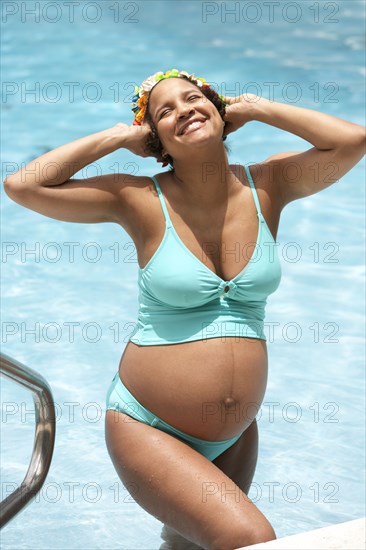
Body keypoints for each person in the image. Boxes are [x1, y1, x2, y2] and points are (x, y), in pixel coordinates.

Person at [3, 68, 365, 549]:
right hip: (149, 426)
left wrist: (257, 108)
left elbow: (353, 141)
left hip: (234, 434)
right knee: (250, 537)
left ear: (219, 111)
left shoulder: (270, 185)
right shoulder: (137, 199)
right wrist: (116, 138)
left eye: (194, 99)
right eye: (165, 111)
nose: (185, 111)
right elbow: (23, 185)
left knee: (188, 547)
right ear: (155, 140)